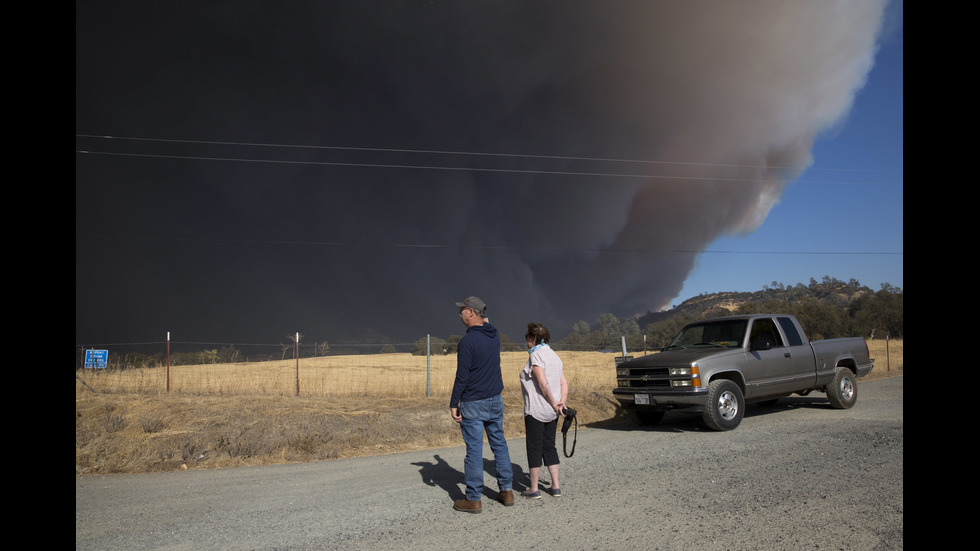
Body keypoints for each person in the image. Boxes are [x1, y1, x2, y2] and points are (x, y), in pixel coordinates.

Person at [449, 296, 515, 513]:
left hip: (474, 402)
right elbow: (488, 325)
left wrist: (453, 402)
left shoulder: (467, 342)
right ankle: (506, 491)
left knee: (474, 450)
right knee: (499, 444)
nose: (460, 314)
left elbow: (462, 376)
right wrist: (485, 320)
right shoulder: (494, 335)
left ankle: (473, 498)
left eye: (463, 310)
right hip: (495, 400)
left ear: (471, 312)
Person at [519, 322, 568, 499]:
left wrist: (554, 402)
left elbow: (542, 383)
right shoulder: (554, 356)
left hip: (536, 409)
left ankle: (534, 489)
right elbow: (564, 382)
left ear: (533, 338)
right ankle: (555, 486)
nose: (526, 341)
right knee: (549, 446)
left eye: (527, 337)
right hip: (552, 412)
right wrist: (561, 402)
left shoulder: (536, 356)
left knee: (534, 447)